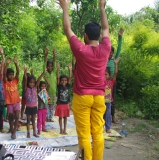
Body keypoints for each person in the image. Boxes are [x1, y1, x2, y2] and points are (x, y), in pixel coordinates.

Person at [58, 0, 111, 159]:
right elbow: (106, 28)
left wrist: (65, 7)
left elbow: (67, 28)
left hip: (82, 97)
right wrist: (102, 8)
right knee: (98, 133)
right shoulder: (106, 48)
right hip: (99, 97)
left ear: (85, 36)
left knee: (84, 134)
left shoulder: (80, 49)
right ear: (99, 36)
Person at [23, 67, 47, 138]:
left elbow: (39, 80)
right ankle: (28, 133)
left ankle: (34, 133)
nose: (32, 84)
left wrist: (43, 73)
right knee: (28, 121)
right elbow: (25, 80)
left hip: (34, 107)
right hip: (28, 107)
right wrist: (25, 72)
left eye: (33, 83)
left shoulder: (35, 88)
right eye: (30, 82)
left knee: (33, 121)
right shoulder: (26, 88)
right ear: (28, 83)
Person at [107, 28, 124, 124]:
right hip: (104, 82)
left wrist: (120, 37)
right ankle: (104, 117)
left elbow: (119, 48)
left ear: (113, 53)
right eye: (108, 52)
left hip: (112, 82)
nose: (109, 54)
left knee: (112, 99)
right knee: (103, 99)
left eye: (111, 52)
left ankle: (113, 116)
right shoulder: (103, 59)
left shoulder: (114, 59)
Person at [3, 57, 20, 139]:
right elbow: (3, 74)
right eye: (9, 74)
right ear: (7, 75)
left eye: (12, 74)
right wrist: (7, 64)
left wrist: (16, 63)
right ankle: (12, 128)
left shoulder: (15, 81)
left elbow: (18, 72)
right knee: (10, 117)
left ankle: (14, 131)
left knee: (17, 116)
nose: (11, 76)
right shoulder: (5, 82)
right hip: (9, 103)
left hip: (16, 102)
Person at [54, 63, 71, 135]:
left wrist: (70, 69)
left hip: (66, 104)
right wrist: (58, 69)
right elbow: (57, 77)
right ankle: (61, 130)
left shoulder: (68, 86)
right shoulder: (59, 86)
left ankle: (65, 130)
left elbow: (70, 78)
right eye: (62, 80)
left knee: (65, 117)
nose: (64, 82)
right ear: (60, 81)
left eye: (65, 80)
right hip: (60, 104)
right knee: (60, 117)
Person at [104, 58, 120, 133]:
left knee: (108, 114)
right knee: (100, 115)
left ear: (109, 75)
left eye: (106, 74)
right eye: (103, 74)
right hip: (100, 101)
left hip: (108, 101)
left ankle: (108, 128)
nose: (104, 76)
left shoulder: (111, 81)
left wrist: (115, 64)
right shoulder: (100, 81)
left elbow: (116, 73)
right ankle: (99, 127)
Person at [44, 48, 57, 122]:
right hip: (46, 92)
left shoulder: (54, 72)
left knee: (52, 107)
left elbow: (54, 63)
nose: (50, 67)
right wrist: (46, 55)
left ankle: (50, 117)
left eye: (51, 66)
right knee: (46, 106)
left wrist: (54, 54)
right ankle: (46, 117)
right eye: (48, 66)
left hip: (53, 93)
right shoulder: (45, 73)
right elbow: (44, 62)